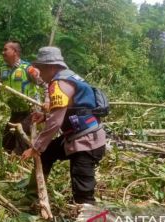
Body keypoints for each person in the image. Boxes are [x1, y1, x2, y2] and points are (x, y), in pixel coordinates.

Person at [21, 46, 106, 206]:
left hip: (86, 143)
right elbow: (72, 110)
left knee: (83, 196)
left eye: (41, 68)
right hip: (77, 138)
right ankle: (32, 198)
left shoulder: (59, 84)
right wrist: (44, 116)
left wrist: (36, 147)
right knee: (46, 154)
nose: (40, 73)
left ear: (52, 67)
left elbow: (55, 122)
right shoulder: (71, 78)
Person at [0, 41, 48, 155]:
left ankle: (22, 163)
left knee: (20, 140)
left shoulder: (28, 69)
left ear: (15, 52)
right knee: (6, 142)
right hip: (15, 111)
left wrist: (47, 101)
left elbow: (45, 84)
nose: (2, 52)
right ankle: (9, 165)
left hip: (30, 111)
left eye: (5, 50)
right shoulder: (3, 70)